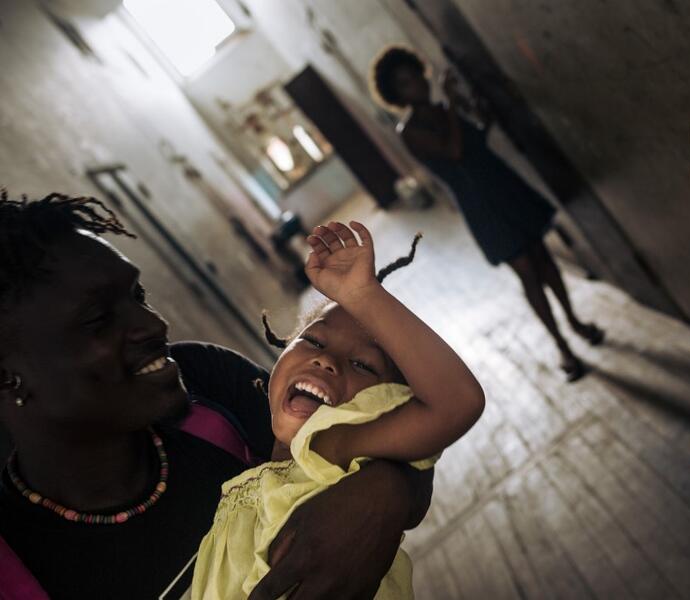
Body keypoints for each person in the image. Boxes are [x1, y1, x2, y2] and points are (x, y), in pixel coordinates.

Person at [0, 193, 434, 599]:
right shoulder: (15, 564)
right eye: (98, 319)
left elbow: (387, 432)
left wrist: (383, 491)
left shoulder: (208, 384)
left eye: (139, 296)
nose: (154, 325)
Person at [191, 222, 484, 599]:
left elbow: (458, 401)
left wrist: (363, 294)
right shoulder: (259, 479)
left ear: (379, 406)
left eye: (363, 365)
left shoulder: (327, 446)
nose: (326, 361)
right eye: (312, 340)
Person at [370, 47, 604, 382]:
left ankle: (575, 321)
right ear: (396, 94)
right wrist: (451, 106)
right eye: (406, 84)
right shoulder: (410, 130)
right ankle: (562, 345)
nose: (418, 86)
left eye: (417, 77)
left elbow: (477, 137)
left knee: (543, 257)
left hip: (502, 184)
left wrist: (473, 108)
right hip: (480, 205)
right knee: (527, 272)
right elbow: (453, 151)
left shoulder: (441, 108)